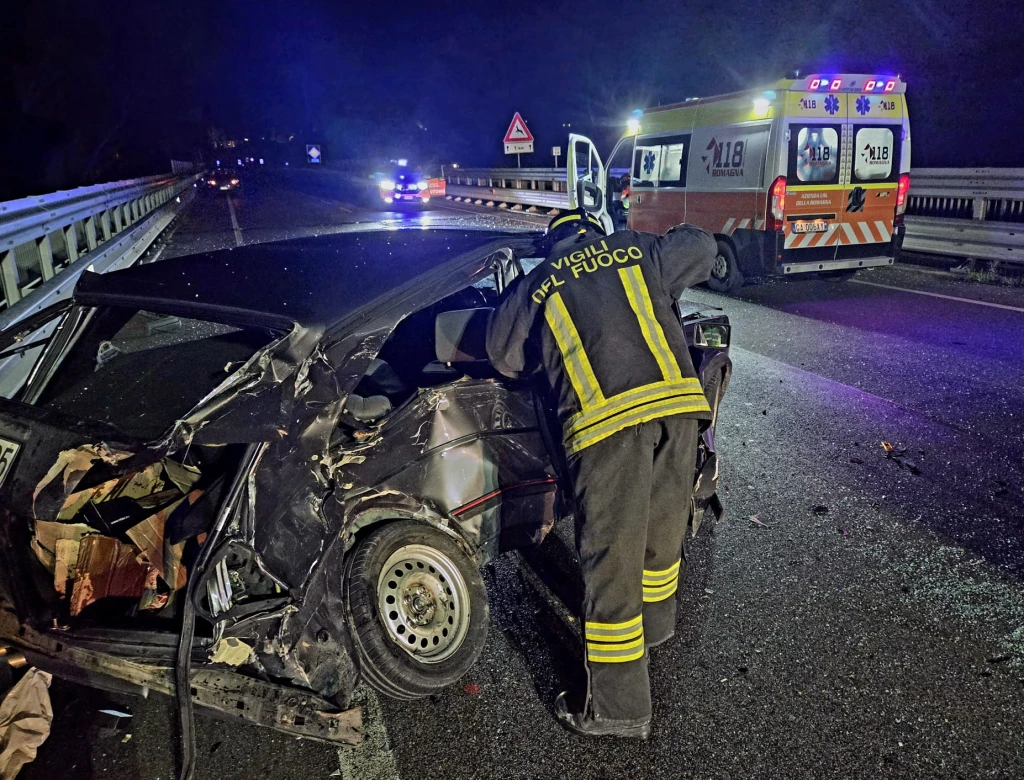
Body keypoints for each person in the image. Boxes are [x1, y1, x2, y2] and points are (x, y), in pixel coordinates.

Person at [486, 207, 717, 739]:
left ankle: (618, 710)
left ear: (553, 244)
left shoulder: (540, 281)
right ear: (595, 232)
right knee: (660, 535)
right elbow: (702, 249)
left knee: (610, 562)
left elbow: (502, 355)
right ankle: (654, 630)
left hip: (607, 426)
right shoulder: (636, 248)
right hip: (679, 409)